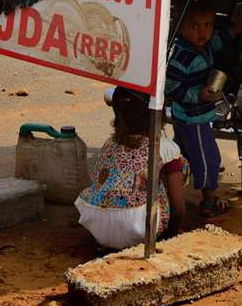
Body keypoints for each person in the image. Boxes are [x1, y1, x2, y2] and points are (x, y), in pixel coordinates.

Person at [74, 87, 187, 249]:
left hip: (97, 228)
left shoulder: (110, 144)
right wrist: (172, 234)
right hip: (139, 230)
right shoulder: (165, 147)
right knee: (178, 167)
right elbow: (179, 209)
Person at [165, 5, 242, 217]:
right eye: (195, 26)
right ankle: (209, 200)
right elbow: (172, 87)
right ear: (181, 28)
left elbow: (215, 42)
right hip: (193, 118)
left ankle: (170, 194)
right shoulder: (182, 57)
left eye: (208, 25)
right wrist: (198, 95)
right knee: (209, 158)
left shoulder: (202, 47)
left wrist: (232, 31)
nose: (203, 32)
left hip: (189, 118)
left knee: (182, 155)